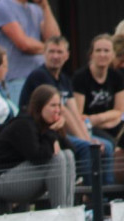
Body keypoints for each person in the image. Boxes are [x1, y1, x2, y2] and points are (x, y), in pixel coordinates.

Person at [20, 36, 111, 185]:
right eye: (51, 52)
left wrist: (89, 137)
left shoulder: (64, 79)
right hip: (41, 133)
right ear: (44, 53)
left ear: (67, 55)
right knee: (87, 148)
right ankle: (91, 194)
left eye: (59, 52)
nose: (55, 56)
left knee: (106, 146)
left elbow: (74, 112)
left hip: (60, 130)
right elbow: (62, 111)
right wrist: (87, 141)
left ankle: (109, 194)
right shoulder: (39, 75)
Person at [0, 85, 76, 209]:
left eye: (59, 105)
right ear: (40, 107)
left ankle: (68, 210)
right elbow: (38, 156)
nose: (57, 110)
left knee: (67, 155)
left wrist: (58, 131)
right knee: (58, 158)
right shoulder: (24, 123)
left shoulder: (46, 126)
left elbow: (72, 150)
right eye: (52, 105)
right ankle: (60, 212)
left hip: (23, 177)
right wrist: (51, 134)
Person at [0, 0, 60, 105]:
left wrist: (45, 7)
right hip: (18, 80)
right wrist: (51, 49)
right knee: (23, 118)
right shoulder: (2, 6)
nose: (55, 54)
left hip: (42, 76)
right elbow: (23, 44)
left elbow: (55, 39)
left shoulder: (36, 9)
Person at [72, 34, 124, 142]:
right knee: (110, 144)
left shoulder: (117, 76)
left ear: (113, 54)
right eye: (98, 50)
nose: (102, 54)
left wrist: (98, 119)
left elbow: (120, 111)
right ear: (91, 54)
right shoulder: (80, 77)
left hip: (109, 123)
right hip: (88, 128)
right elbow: (79, 114)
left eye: (106, 51)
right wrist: (107, 118)